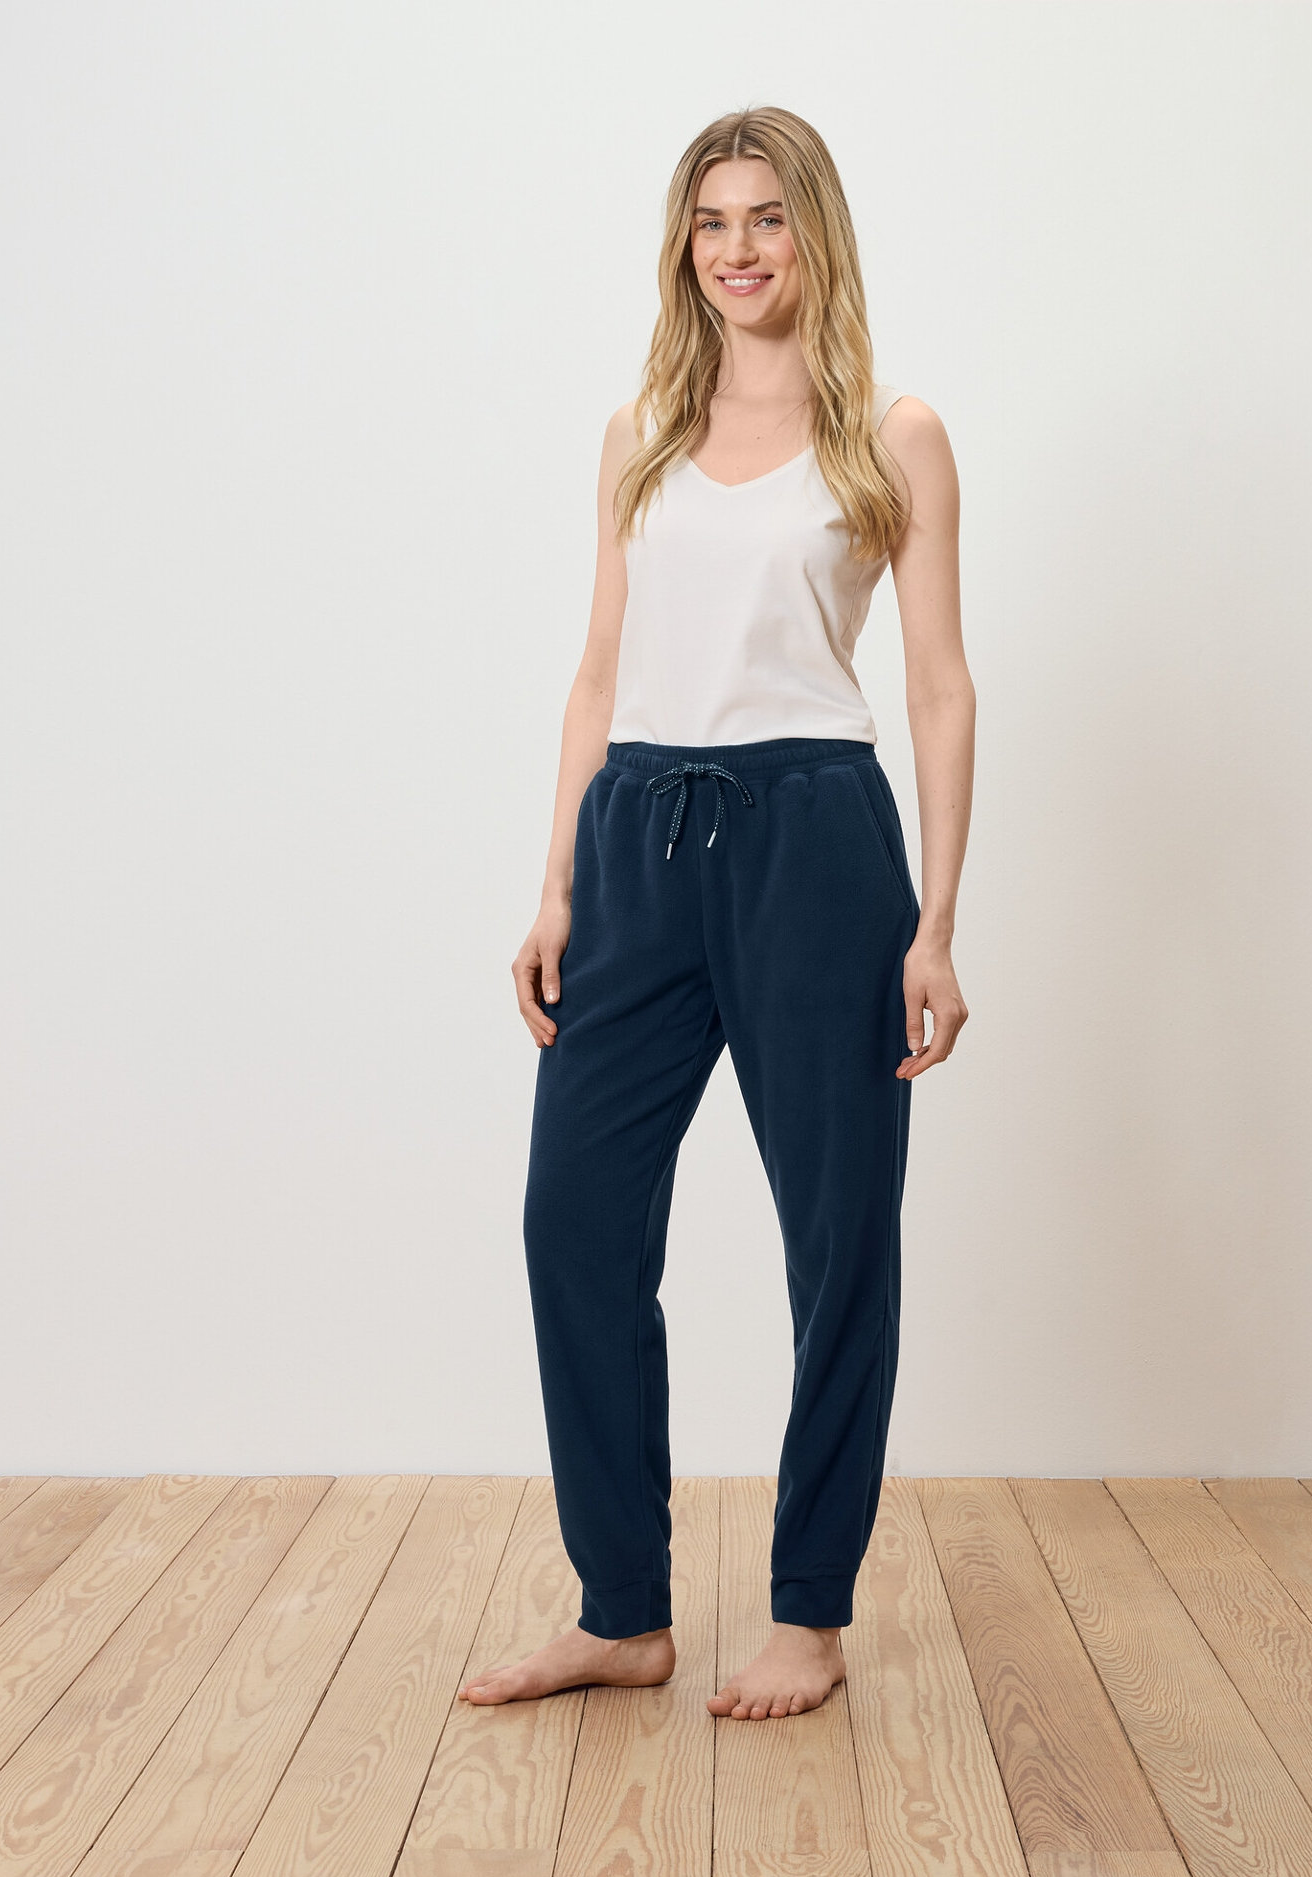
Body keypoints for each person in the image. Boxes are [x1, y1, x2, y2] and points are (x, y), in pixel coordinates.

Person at [461, 105, 974, 1721]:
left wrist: (937, 923)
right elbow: (598, 669)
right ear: (682, 247)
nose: (738, 248)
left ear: (813, 231)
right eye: (709, 221)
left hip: (814, 839)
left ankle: (808, 1610)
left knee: (837, 1241)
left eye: (766, 217)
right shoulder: (639, 431)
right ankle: (621, 1604)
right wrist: (555, 878)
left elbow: (939, 685)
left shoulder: (890, 437)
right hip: (636, 834)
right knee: (574, 1216)